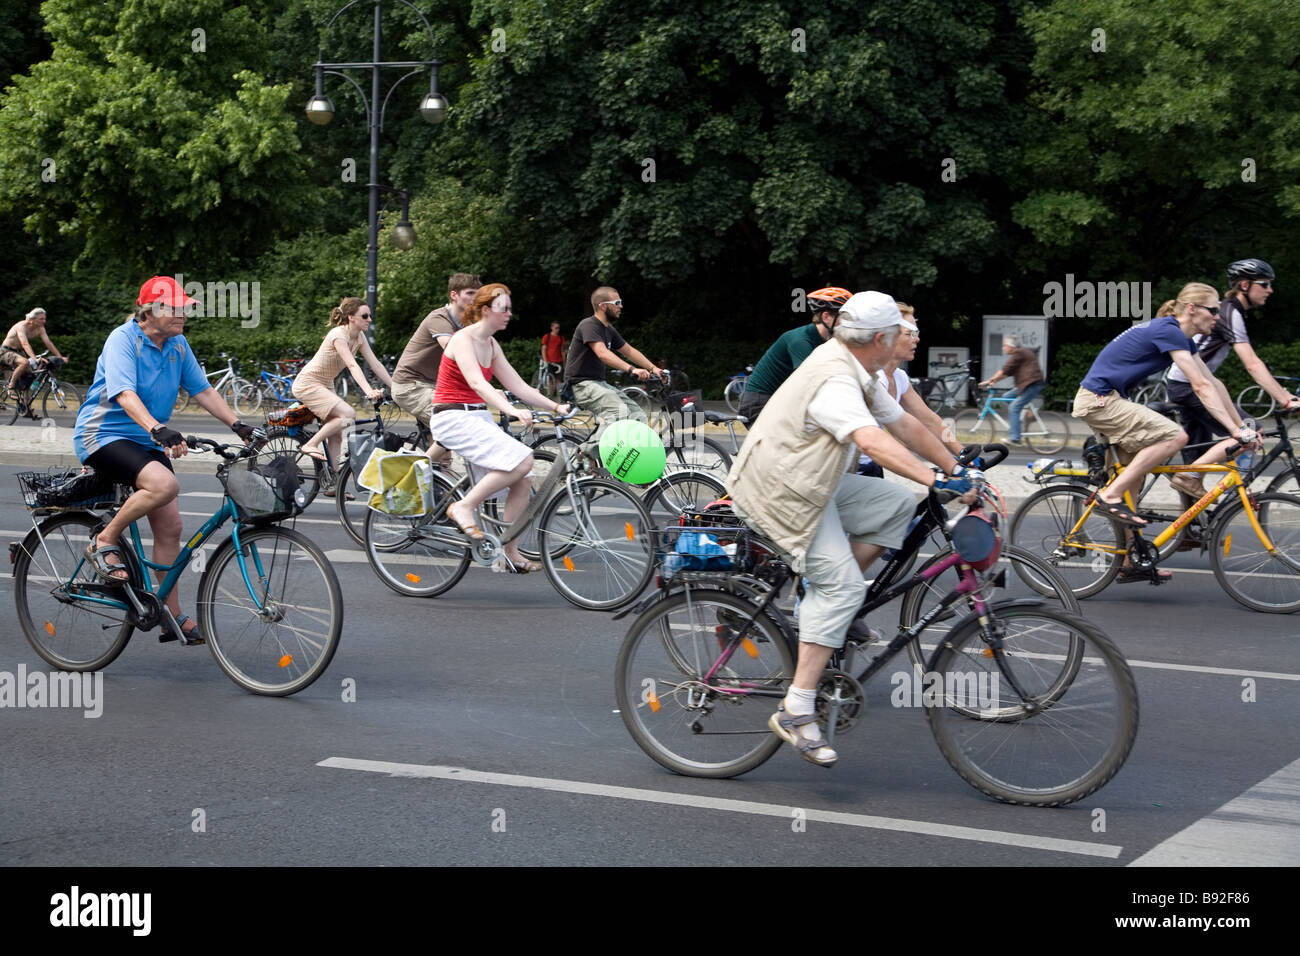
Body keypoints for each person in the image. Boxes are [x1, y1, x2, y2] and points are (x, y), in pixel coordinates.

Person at [727, 291, 981, 767]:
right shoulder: (835, 378)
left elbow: (903, 424)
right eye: (901, 333)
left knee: (893, 504)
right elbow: (871, 440)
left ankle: (820, 595)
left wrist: (958, 469)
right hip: (779, 488)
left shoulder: (856, 366)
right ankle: (796, 708)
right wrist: (936, 478)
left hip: (811, 478)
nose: (907, 337)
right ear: (882, 338)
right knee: (842, 586)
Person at [73, 276, 262, 645]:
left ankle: (168, 614)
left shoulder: (177, 344)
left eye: (184, 308)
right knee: (165, 485)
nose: (181, 315)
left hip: (147, 439)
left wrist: (238, 425)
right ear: (148, 312)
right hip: (104, 435)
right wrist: (158, 428)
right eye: (173, 308)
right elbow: (124, 393)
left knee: (171, 526)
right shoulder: (123, 339)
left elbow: (203, 389)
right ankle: (104, 539)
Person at [1071, 282, 1260, 579]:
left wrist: (1240, 426)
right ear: (1191, 309)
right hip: (1099, 400)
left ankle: (1130, 561)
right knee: (1175, 436)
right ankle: (1110, 496)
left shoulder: (1184, 338)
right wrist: (1235, 431)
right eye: (1213, 310)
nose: (1218, 317)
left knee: (1135, 472)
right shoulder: (1168, 330)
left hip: (1110, 399)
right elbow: (1198, 387)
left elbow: (1212, 384)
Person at [428, 283, 571, 573]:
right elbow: (478, 383)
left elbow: (518, 385)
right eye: (503, 308)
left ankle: (510, 554)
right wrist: (510, 410)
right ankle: (463, 507)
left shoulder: (492, 345)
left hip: (476, 417)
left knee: (524, 477)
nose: (508, 313)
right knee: (523, 459)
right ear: (485, 310)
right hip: (451, 417)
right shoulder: (462, 339)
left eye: (509, 308)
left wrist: (556, 407)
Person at [1167, 258, 1300, 471]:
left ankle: (1192, 494)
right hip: (1190, 386)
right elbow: (1252, 363)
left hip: (1184, 385)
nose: (1270, 290)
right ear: (1245, 285)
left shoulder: (1227, 311)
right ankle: (1211, 485)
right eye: (1264, 284)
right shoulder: (1229, 313)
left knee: (1195, 453)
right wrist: (1285, 399)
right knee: (1251, 429)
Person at [291, 296, 394, 489]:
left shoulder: (359, 337)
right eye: (365, 315)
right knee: (348, 415)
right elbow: (352, 366)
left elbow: (376, 365)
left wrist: (396, 388)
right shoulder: (339, 335)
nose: (369, 319)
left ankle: (333, 486)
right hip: (309, 383)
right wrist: (369, 391)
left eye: (370, 315)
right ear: (351, 317)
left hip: (325, 384)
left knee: (337, 434)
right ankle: (310, 445)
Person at [857, 301, 964, 477]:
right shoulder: (874, 378)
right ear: (888, 337)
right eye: (910, 333)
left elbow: (931, 421)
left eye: (917, 333)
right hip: (851, 469)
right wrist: (940, 472)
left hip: (871, 465)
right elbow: (902, 433)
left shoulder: (899, 377)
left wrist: (962, 453)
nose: (917, 339)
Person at [735, 287, 853, 424]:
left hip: (777, 401)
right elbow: (808, 382)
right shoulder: (801, 340)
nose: (847, 324)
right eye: (843, 318)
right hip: (759, 403)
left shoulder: (825, 341)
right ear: (826, 317)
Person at [564, 286, 663, 439]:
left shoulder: (608, 329)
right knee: (619, 413)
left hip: (598, 384)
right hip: (581, 385)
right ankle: (586, 452)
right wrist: (631, 369)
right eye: (617, 302)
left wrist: (653, 368)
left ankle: (623, 457)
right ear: (602, 306)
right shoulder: (589, 325)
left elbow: (628, 351)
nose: (621, 306)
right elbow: (602, 353)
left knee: (638, 417)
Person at [391, 273, 481, 429]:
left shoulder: (468, 324)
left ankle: (434, 454)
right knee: (458, 425)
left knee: (445, 447)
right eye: (470, 293)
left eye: (477, 294)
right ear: (454, 295)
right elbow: (454, 351)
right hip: (411, 386)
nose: (475, 298)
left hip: (435, 386)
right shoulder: (439, 318)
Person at [978, 334, 1045, 444]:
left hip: (1032, 384)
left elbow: (1004, 370)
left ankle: (1015, 438)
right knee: (1006, 397)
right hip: (1026, 385)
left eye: (1004, 345)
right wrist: (993, 381)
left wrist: (989, 381)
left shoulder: (1019, 353)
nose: (1003, 347)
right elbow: (1006, 373)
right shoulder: (1019, 354)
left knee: (1014, 408)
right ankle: (1027, 415)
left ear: (1011, 346)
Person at [2, 307, 68, 412]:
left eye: (44, 319)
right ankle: (11, 387)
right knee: (25, 362)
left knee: (29, 378)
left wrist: (60, 357)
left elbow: (48, 343)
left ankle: (25, 407)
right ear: (32, 319)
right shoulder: (21, 326)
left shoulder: (40, 328)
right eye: (41, 319)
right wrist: (34, 358)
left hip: (19, 352)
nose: (44, 321)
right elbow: (25, 344)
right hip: (6, 351)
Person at [539, 321, 567, 397]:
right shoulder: (547, 337)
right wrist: (545, 360)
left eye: (558, 328)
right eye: (556, 328)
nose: (557, 329)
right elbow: (543, 349)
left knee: (558, 379)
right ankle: (549, 394)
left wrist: (564, 362)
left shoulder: (561, 338)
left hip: (559, 361)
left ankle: (559, 395)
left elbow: (563, 351)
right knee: (550, 379)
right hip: (550, 361)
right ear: (552, 328)